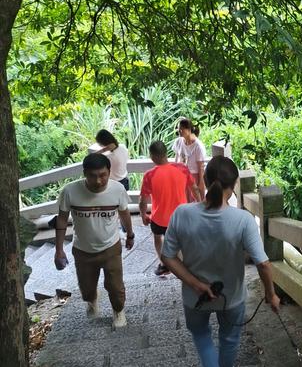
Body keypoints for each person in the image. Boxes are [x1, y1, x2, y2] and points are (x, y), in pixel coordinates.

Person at [162, 156, 280, 367]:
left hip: (195, 298)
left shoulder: (182, 214)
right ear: (235, 184)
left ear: (204, 181)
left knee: (201, 334)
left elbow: (168, 257)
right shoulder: (243, 220)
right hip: (232, 297)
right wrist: (271, 294)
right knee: (229, 338)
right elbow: (264, 263)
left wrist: (195, 284)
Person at [54, 152, 135, 327]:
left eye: (103, 175)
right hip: (82, 249)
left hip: (111, 247)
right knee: (86, 287)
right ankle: (92, 301)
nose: (98, 181)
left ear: (109, 171)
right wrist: (59, 250)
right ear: (84, 173)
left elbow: (124, 213)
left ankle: (118, 310)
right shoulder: (70, 191)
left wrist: (130, 234)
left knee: (115, 286)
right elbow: (61, 219)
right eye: (93, 176)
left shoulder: (117, 189)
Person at [139, 140, 196, 276]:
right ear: (166, 153)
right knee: (181, 240)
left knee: (158, 238)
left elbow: (143, 200)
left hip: (159, 218)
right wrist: (199, 205)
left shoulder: (149, 175)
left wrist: (143, 215)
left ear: (152, 156)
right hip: (181, 216)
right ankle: (185, 264)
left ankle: (164, 264)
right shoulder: (182, 168)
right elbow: (194, 188)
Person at [173, 118, 207, 200]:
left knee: (195, 201)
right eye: (178, 129)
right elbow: (176, 158)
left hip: (193, 176)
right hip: (181, 175)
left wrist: (201, 183)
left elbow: (201, 167)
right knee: (183, 200)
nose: (179, 131)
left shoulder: (198, 146)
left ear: (189, 129)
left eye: (182, 129)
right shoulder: (178, 142)